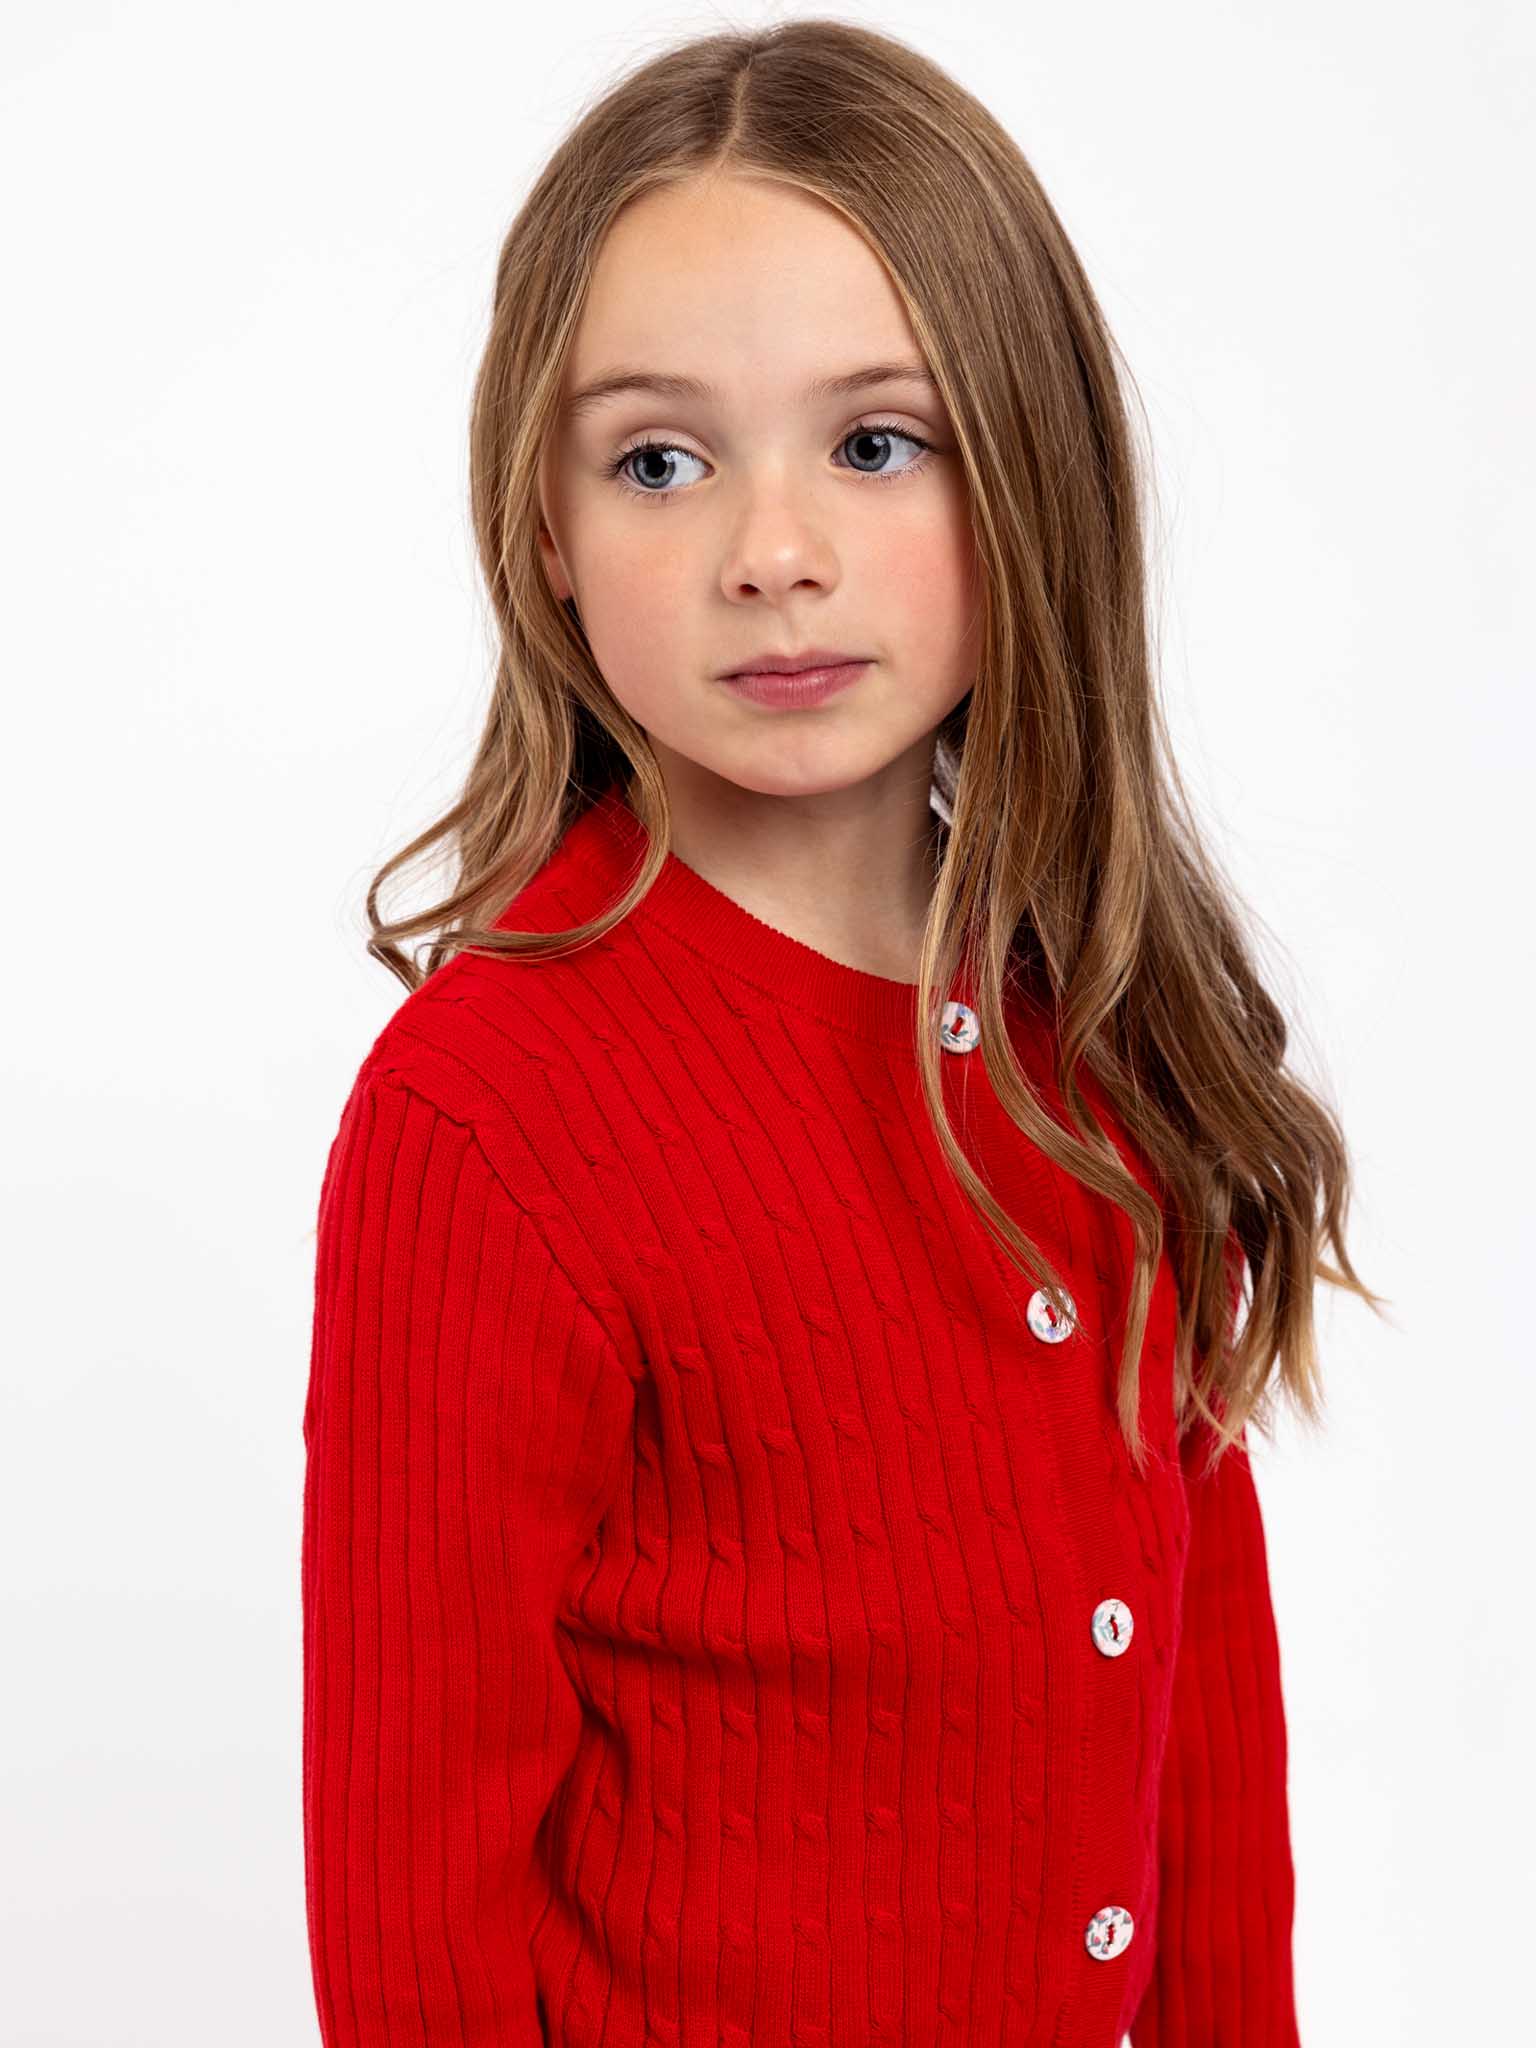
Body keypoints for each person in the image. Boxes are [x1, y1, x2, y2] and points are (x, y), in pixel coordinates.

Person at [300, 20, 1378, 2047]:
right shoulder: (493, 1116)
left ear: (1029, 484)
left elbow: (1202, 1766)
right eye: (660, 458)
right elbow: (413, 1913)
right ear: (544, 529)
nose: (770, 550)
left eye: (875, 443)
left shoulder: (1100, 1049)